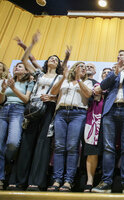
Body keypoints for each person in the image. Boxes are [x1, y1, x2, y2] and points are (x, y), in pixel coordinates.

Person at [7, 31, 70, 191]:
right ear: (47, 62)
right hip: (33, 108)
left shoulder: (60, 78)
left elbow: (57, 94)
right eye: (51, 58)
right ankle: (19, 180)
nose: (53, 60)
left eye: (56, 59)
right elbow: (24, 60)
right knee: (27, 142)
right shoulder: (38, 74)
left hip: (48, 110)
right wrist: (31, 45)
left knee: (42, 145)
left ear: (59, 65)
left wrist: (51, 98)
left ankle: (35, 181)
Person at [91, 50, 124, 194]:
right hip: (110, 110)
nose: (118, 57)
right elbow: (103, 86)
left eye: (122, 55)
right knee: (108, 148)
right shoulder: (112, 72)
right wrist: (115, 73)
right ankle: (106, 182)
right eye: (118, 56)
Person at [47, 61, 93, 192]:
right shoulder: (65, 81)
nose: (84, 69)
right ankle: (57, 179)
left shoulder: (87, 82)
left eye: (85, 68)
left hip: (78, 114)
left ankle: (68, 181)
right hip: (61, 113)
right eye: (81, 67)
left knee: (72, 147)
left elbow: (89, 94)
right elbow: (53, 92)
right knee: (59, 147)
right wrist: (63, 77)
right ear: (74, 69)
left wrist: (79, 80)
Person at [0, 62, 34, 190]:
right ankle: (1, 179)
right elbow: (1, 100)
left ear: (26, 71)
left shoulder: (29, 82)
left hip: (18, 111)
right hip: (4, 110)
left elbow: (26, 99)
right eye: (15, 66)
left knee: (12, 143)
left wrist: (13, 88)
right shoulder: (7, 81)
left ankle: (9, 164)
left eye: (20, 66)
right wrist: (3, 89)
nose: (16, 68)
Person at [83, 67, 111, 192]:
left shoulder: (116, 88)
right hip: (94, 120)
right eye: (104, 72)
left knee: (109, 150)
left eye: (108, 72)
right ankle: (89, 181)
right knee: (91, 150)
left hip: (110, 120)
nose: (106, 74)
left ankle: (106, 180)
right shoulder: (96, 85)